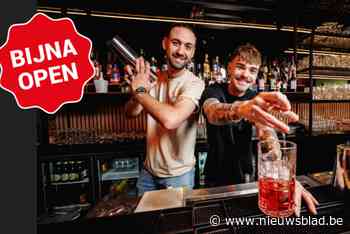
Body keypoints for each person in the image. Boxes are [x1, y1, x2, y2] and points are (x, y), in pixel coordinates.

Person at [200, 43, 318, 216]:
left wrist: (284, 175)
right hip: (215, 178)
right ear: (229, 67)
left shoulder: (255, 98)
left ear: (256, 76)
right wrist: (239, 109)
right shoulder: (213, 90)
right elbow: (212, 111)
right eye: (240, 67)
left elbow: (267, 134)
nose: (246, 75)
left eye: (252, 70)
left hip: (247, 178)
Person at [125, 24, 205, 195]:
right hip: (148, 172)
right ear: (165, 43)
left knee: (175, 222)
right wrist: (136, 90)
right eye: (176, 43)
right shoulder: (155, 78)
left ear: (192, 52)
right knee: (143, 221)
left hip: (178, 177)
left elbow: (171, 120)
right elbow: (131, 113)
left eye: (188, 46)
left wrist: (140, 91)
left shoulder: (194, 83)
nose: (181, 51)